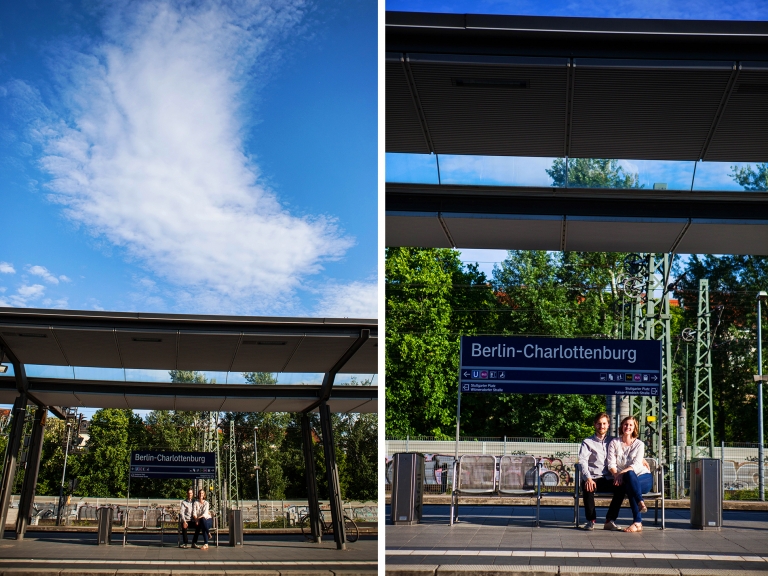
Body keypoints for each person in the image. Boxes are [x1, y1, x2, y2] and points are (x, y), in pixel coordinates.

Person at [578, 412, 625, 531]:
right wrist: (588, 478)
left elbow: (627, 451)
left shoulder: (614, 441)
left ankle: (610, 520)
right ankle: (591, 520)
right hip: (593, 477)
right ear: (594, 425)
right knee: (587, 486)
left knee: (621, 488)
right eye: (599, 424)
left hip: (609, 478)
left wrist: (642, 459)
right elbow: (582, 461)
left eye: (604, 423)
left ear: (608, 425)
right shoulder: (587, 442)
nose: (601, 426)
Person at [608, 415, 652, 533]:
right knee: (630, 484)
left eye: (630, 425)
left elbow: (636, 465)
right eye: (625, 424)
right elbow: (611, 463)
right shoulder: (614, 442)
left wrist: (620, 474)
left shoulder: (639, 444)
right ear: (622, 426)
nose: (628, 427)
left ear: (634, 428)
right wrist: (617, 474)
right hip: (626, 479)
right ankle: (638, 518)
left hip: (643, 477)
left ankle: (637, 520)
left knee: (630, 478)